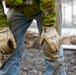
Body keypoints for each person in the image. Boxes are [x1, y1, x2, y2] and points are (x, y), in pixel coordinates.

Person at [0, 0, 66, 75]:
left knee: (52, 48)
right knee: (7, 47)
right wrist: (2, 28)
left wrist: (49, 26)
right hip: (17, 7)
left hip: (48, 5)